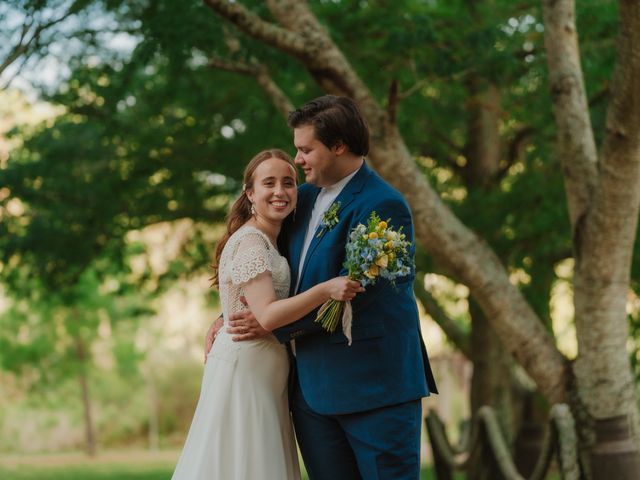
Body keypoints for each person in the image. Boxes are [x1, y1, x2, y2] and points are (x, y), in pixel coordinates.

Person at [207, 96, 438, 479]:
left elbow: (357, 295)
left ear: (338, 146)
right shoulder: (301, 199)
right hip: (312, 393)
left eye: (305, 149)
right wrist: (232, 310)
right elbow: (270, 270)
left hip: (375, 391)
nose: (298, 161)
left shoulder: (384, 205)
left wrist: (272, 323)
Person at [172, 148, 363, 480]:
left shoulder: (272, 239)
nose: (280, 192)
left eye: (288, 183)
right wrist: (325, 290)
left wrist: (223, 315)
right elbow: (269, 315)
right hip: (246, 370)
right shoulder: (251, 243)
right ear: (250, 193)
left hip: (264, 371)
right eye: (269, 183)